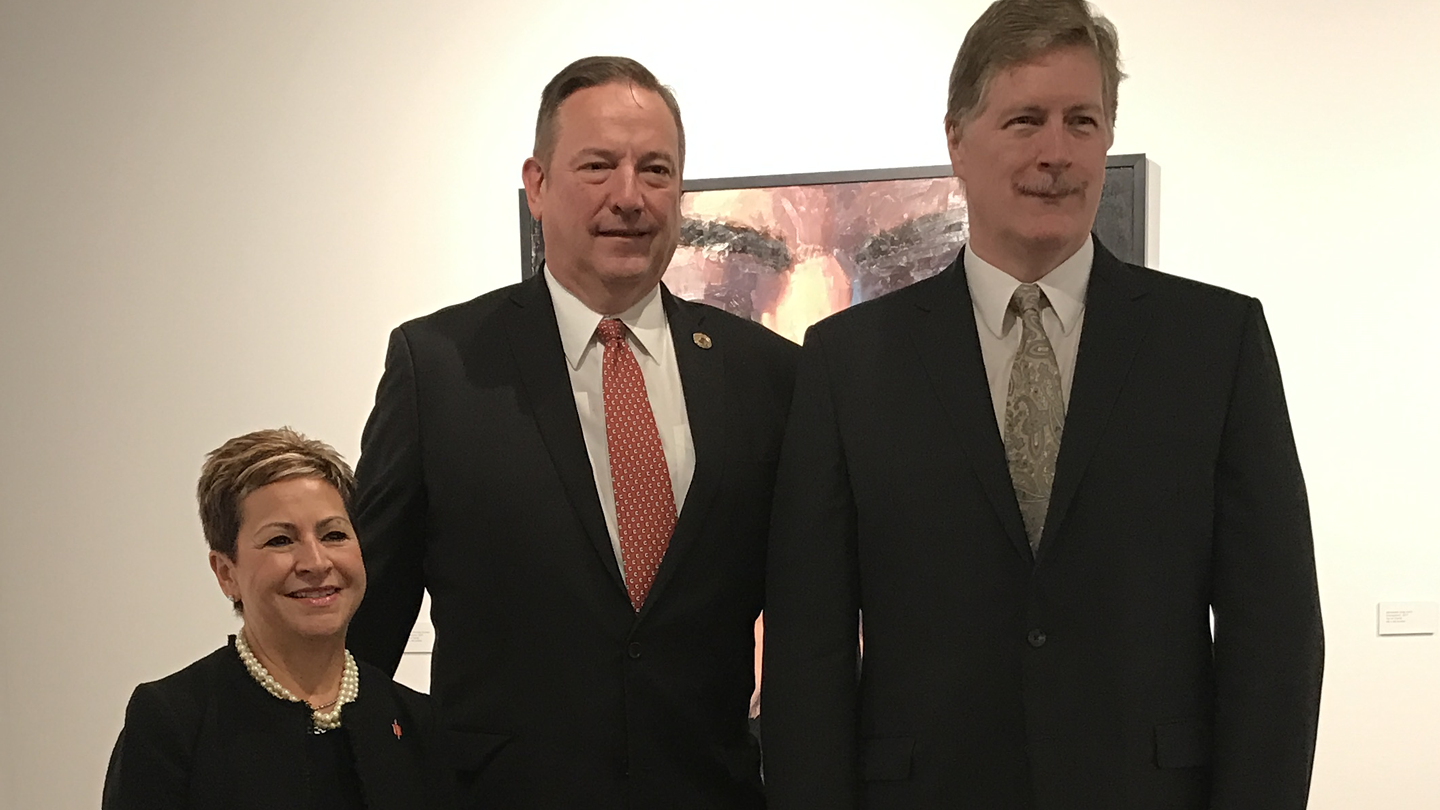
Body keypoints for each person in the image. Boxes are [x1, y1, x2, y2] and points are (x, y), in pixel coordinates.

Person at [761, 1, 1324, 808]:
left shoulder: (1215, 344)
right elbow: (808, 651)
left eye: (1082, 121)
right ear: (956, 139)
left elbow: (1276, 632)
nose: (1056, 152)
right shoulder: (849, 364)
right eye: (1025, 120)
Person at [346, 55, 798, 809]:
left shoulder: (767, 377)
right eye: (597, 166)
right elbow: (366, 630)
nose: (629, 197)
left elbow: (806, 622)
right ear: (537, 184)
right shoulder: (440, 370)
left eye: (655, 170)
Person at [103, 428, 456, 810]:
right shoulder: (172, 721)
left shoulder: (416, 722)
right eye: (280, 540)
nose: (317, 562)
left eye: (334, 535)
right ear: (226, 572)